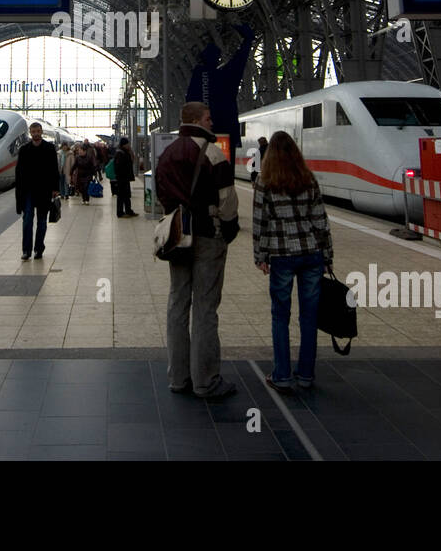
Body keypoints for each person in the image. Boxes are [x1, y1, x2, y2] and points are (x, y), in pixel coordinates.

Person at [155, 101, 240, 401]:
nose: (212, 122)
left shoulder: (167, 154)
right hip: (208, 235)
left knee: (178, 304)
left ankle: (178, 378)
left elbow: (160, 194)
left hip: (178, 236)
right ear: (195, 120)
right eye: (208, 117)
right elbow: (227, 199)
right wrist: (229, 229)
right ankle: (205, 380)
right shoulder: (212, 152)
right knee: (205, 307)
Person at [253, 131, 332, 393]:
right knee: (309, 317)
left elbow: (260, 224)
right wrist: (327, 255)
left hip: (282, 254)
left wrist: (260, 256)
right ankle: (306, 375)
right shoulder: (309, 179)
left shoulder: (265, 182)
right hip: (311, 253)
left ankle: (282, 375)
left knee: (280, 316)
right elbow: (321, 221)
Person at [15, 122, 60, 260]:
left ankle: (38, 249)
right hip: (28, 191)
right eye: (33, 131)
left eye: (37, 131)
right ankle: (26, 251)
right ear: (30, 133)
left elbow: (54, 169)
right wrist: (19, 191)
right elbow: (19, 172)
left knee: (41, 222)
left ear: (41, 132)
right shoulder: (24, 150)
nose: (35, 133)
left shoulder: (49, 148)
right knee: (27, 221)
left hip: (44, 191)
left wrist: (55, 188)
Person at [111, 137, 137, 218]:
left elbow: (132, 160)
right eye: (127, 144)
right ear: (124, 144)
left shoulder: (125, 152)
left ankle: (128, 210)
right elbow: (119, 167)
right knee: (121, 196)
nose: (129, 145)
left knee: (126, 195)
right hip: (122, 178)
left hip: (124, 178)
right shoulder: (120, 153)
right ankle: (120, 212)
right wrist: (122, 175)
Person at [72, 140, 98, 204]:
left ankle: (87, 200)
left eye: (81, 151)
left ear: (85, 151)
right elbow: (74, 166)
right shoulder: (77, 158)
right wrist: (71, 172)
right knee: (82, 188)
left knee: (86, 187)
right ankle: (84, 199)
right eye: (79, 151)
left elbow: (93, 166)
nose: (79, 152)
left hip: (88, 175)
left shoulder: (89, 158)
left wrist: (95, 174)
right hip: (80, 175)